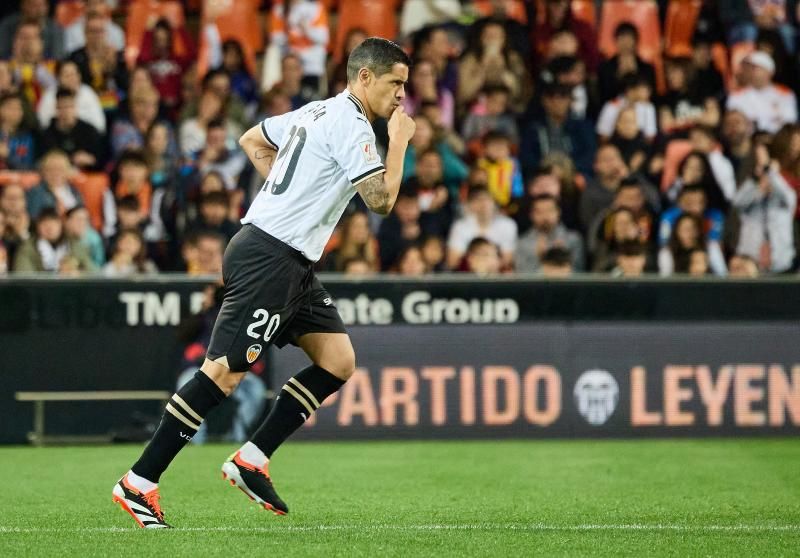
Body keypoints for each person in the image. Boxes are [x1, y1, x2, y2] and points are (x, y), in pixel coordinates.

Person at [112, 37, 416, 528]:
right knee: (223, 373)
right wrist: (398, 142)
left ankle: (251, 458)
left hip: (288, 259)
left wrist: (282, 190)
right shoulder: (353, 124)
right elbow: (380, 200)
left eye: (405, 85)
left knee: (338, 361)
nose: (402, 94)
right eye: (395, 83)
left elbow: (252, 138)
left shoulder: (315, 112)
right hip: (270, 256)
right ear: (364, 77)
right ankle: (138, 482)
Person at [733, 143, 797, 273]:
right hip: (750, 267)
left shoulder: (784, 200)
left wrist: (769, 170)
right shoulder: (750, 200)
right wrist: (755, 178)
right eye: (763, 176)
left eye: (770, 176)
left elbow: (786, 192)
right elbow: (737, 202)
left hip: (782, 266)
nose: (767, 179)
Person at [447, 185, 518, 269]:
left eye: (487, 199)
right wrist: (477, 263)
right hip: (468, 274)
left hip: (497, 275)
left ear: (494, 203)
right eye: (478, 200)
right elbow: (452, 261)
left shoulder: (508, 225)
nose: (483, 204)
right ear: (470, 204)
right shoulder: (460, 226)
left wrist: (488, 263)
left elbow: (508, 260)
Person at [727, 51, 797, 134]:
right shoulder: (736, 95)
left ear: (769, 71)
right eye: (749, 68)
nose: (751, 71)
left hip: (779, 140)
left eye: (756, 68)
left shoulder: (785, 94)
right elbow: (732, 124)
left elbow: (790, 122)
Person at [40, 87, 107, 171]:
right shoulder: (48, 134)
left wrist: (90, 160)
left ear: (76, 107)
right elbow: (43, 160)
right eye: (62, 107)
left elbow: (102, 159)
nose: (66, 111)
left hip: (86, 176)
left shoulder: (89, 130)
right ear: (56, 108)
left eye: (69, 106)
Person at [515, 194, 584, 273]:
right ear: (531, 215)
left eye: (550, 210)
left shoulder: (574, 239)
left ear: (558, 212)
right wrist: (541, 259)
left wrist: (561, 258)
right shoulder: (523, 243)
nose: (545, 216)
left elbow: (581, 273)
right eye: (539, 212)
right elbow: (521, 277)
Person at [13, 207, 94, 273]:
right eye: (45, 224)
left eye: (54, 223)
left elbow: (93, 272)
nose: (50, 228)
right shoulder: (27, 248)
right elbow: (23, 276)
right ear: (38, 227)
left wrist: (77, 272)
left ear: (61, 225)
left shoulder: (74, 245)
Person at [37, 60, 106, 134]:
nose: (71, 78)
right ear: (58, 77)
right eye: (67, 75)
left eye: (74, 74)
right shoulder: (50, 94)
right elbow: (42, 123)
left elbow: (100, 125)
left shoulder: (87, 92)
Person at [597, 23, 656, 105]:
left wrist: (635, 75)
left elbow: (652, 97)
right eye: (622, 38)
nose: (625, 43)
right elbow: (604, 98)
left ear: (635, 42)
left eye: (629, 39)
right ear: (616, 41)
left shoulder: (647, 68)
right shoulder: (605, 68)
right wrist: (619, 76)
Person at [26, 150, 83, 219]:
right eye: (51, 169)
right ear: (43, 172)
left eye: (60, 169)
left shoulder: (74, 191)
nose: (55, 173)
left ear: (67, 172)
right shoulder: (36, 192)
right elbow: (34, 217)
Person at [0, 91, 37, 170]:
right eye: (10, 107)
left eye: (18, 108)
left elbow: (27, 167)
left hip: (16, 179)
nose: (15, 112)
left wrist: (8, 156)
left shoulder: (26, 138)